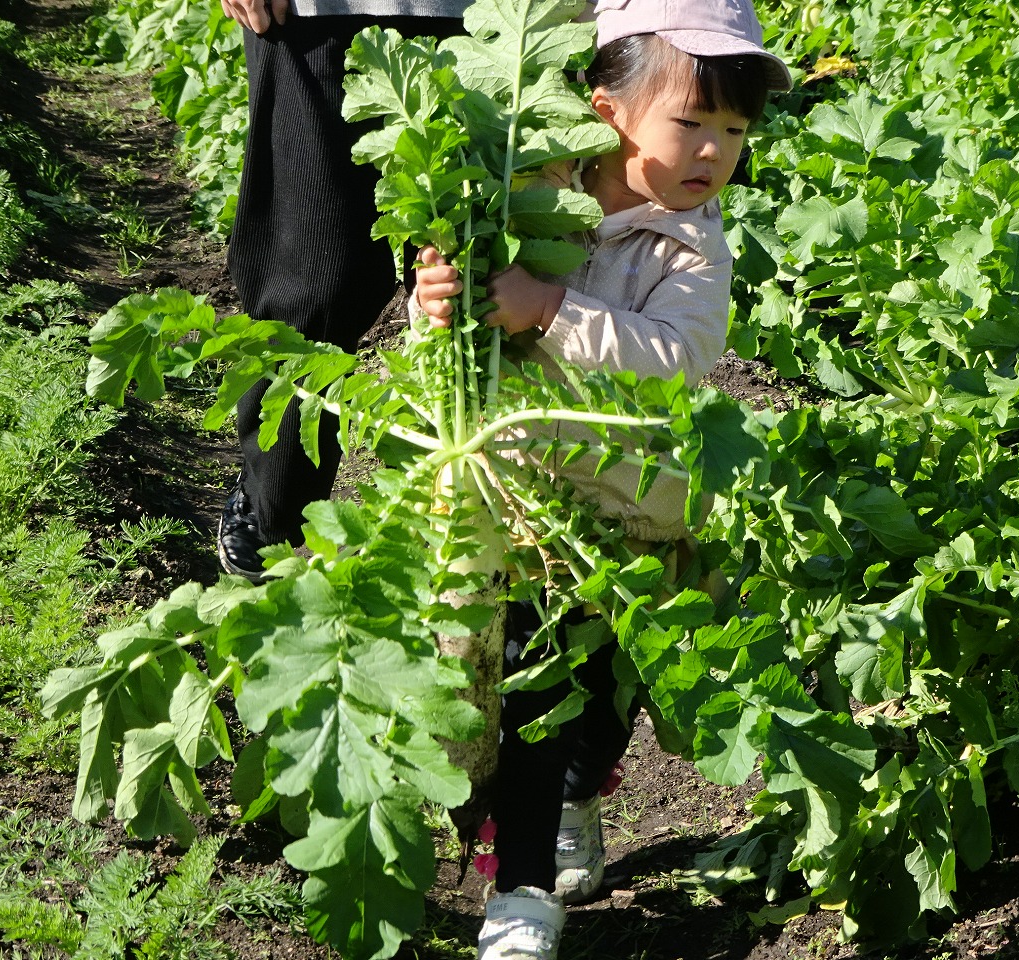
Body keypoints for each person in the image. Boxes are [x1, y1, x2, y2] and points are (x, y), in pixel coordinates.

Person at [413, 1, 791, 956]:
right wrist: (436, 302)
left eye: (733, 130)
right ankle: (523, 891)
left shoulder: (695, 248)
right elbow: (447, 339)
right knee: (525, 691)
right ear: (608, 111)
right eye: (691, 121)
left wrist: (552, 312)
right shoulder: (522, 195)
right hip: (512, 502)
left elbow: (677, 359)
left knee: (602, 696)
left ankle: (579, 800)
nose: (713, 151)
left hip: (627, 516)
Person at [213, 0, 470, 581]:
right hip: (317, 15)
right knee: (314, 283)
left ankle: (476, 524)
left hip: (489, 19)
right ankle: (273, 508)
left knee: (478, 282)